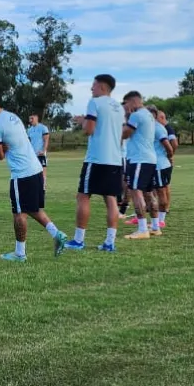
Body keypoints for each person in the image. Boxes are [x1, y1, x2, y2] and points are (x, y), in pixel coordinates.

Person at [0, 96, 68, 261]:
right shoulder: (13, 117)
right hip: (36, 169)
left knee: (19, 213)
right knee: (34, 209)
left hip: (22, 174)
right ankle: (57, 234)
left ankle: (20, 254)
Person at [65, 74, 125, 253]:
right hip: (115, 160)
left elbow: (89, 130)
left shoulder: (95, 103)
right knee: (111, 199)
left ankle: (78, 240)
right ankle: (109, 242)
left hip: (97, 159)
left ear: (103, 87)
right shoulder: (119, 108)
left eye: (94, 86)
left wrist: (82, 122)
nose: (91, 89)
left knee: (83, 196)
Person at [121, 91, 161, 240]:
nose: (124, 107)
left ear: (132, 102)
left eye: (125, 104)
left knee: (136, 191)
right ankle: (156, 227)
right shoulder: (149, 115)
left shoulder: (136, 116)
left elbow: (125, 134)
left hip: (139, 159)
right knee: (148, 193)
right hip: (150, 159)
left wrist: (125, 118)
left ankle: (142, 229)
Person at [155, 110, 176, 226]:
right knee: (160, 188)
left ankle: (161, 218)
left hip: (160, 164)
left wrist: (170, 156)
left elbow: (173, 144)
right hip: (161, 163)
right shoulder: (161, 128)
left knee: (162, 189)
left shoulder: (162, 128)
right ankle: (159, 216)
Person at [27, 114, 50, 184]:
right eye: (30, 119)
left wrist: (44, 151)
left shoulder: (43, 128)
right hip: (32, 155)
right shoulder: (29, 130)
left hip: (41, 154)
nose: (30, 120)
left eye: (32, 118)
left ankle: (43, 187)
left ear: (36, 118)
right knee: (32, 172)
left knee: (43, 172)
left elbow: (46, 140)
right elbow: (28, 142)